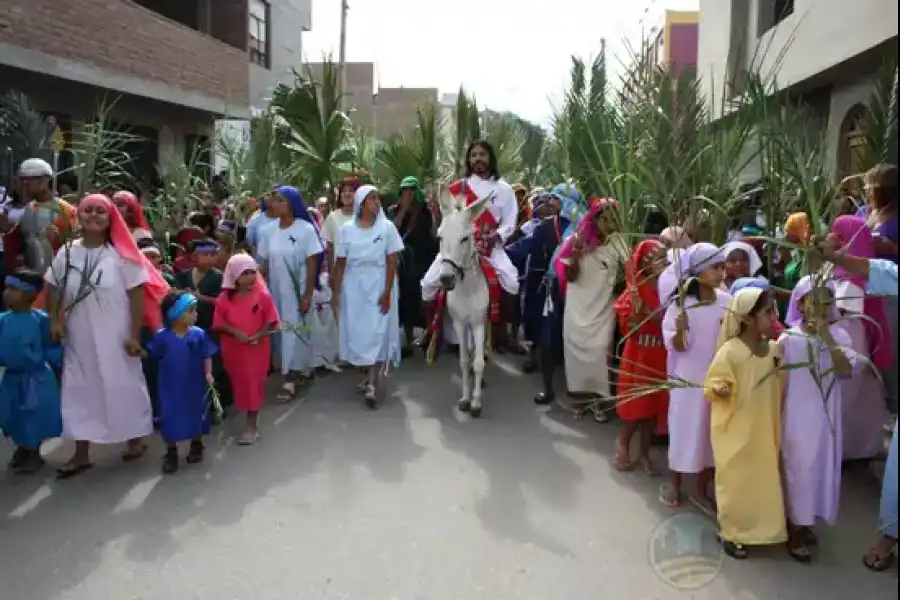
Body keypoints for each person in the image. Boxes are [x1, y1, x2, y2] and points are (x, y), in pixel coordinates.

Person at [45, 193, 169, 479]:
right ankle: (81, 452)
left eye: (101, 211)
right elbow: (53, 285)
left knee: (123, 384)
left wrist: (135, 335)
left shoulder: (122, 254)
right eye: (88, 210)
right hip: (79, 335)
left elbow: (137, 295)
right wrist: (55, 319)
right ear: (79, 216)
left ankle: (134, 440)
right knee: (79, 387)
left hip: (118, 334)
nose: (94, 216)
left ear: (110, 217)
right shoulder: (67, 252)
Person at [704, 287, 787, 560]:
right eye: (768, 312)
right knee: (736, 480)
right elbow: (713, 383)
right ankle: (733, 532)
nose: (775, 316)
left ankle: (762, 529)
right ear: (748, 318)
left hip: (763, 427)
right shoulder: (730, 352)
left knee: (761, 479)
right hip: (735, 429)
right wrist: (721, 389)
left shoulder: (774, 349)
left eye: (775, 310)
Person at [778, 276, 852, 561]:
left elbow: (845, 370)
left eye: (826, 303)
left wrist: (827, 338)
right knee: (798, 468)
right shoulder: (789, 339)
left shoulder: (841, 337)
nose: (820, 309)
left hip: (825, 419)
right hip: (796, 416)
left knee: (819, 470)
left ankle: (805, 521)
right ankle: (794, 527)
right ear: (800, 304)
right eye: (813, 302)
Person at [658, 243, 730, 513]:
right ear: (698, 271)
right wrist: (679, 331)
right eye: (715, 267)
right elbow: (676, 346)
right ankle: (674, 482)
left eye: (722, 267)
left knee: (710, 434)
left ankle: (702, 488)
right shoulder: (681, 305)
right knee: (685, 430)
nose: (721, 273)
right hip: (686, 378)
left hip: (716, 376)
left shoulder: (727, 302)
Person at [421, 141, 520, 308]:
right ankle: (432, 330)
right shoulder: (457, 188)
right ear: (468, 160)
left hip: (490, 247)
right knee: (428, 284)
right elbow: (448, 222)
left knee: (512, 283)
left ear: (490, 158)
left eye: (482, 154)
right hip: (458, 247)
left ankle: (501, 328)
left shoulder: (505, 189)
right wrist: (436, 215)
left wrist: (495, 236)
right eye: (473, 155)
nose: (478, 158)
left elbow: (510, 222)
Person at [553, 198, 625, 422]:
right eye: (604, 218)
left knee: (602, 350)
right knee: (576, 351)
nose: (609, 222)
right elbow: (570, 276)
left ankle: (600, 401)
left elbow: (626, 277)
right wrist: (575, 253)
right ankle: (581, 399)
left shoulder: (620, 243)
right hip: (578, 305)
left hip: (604, 306)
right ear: (595, 219)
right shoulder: (579, 239)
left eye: (613, 218)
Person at [332, 185, 404, 408]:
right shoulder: (346, 230)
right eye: (371, 198)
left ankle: (372, 383)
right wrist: (335, 293)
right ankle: (366, 374)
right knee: (358, 333)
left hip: (379, 285)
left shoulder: (387, 228)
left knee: (377, 332)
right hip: (353, 288)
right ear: (361, 203)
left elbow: (392, 261)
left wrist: (387, 292)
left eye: (377, 197)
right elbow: (340, 264)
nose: (376, 201)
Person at [827, 216, 892, 460]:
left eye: (836, 233)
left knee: (846, 396)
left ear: (845, 240)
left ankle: (843, 451)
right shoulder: (854, 273)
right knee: (863, 396)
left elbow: (842, 315)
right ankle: (862, 448)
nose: (830, 237)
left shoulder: (850, 281)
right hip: (858, 340)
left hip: (850, 340)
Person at [257, 185, 324, 399]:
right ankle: (299, 370)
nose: (273, 204)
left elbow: (312, 262)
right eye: (273, 199)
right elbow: (263, 264)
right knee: (282, 333)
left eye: (279, 200)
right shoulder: (267, 231)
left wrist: (307, 293)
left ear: (291, 204)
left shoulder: (305, 229)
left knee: (294, 331)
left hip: (298, 291)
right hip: (276, 291)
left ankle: (290, 379)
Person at [145, 292, 218, 474]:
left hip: (194, 384)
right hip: (170, 386)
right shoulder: (162, 337)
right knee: (169, 416)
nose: (196, 314)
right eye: (191, 311)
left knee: (196, 412)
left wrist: (208, 373)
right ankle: (171, 451)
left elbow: (206, 354)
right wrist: (136, 351)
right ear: (175, 314)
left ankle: (197, 444)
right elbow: (151, 354)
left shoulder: (199, 334)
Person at [613, 239, 668, 473]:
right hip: (639, 354)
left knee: (652, 412)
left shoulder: (670, 288)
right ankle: (623, 443)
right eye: (658, 259)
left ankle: (644, 453)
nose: (664, 263)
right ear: (645, 262)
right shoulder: (634, 291)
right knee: (637, 408)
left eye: (665, 258)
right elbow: (629, 327)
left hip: (661, 354)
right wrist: (638, 312)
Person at [0, 270, 63, 474]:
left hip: (36, 378)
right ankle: (22, 447)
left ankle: (33, 452)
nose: (6, 293)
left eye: (13, 289)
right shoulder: (3, 320)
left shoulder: (41, 320)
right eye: (6, 288)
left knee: (32, 416)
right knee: (12, 415)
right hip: (11, 377)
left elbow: (52, 347)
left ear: (29, 294)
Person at [213, 254, 279, 445]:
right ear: (234, 275)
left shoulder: (262, 296)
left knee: (253, 382)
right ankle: (243, 412)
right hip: (234, 350)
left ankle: (251, 424)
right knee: (239, 382)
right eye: (245, 273)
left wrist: (260, 334)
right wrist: (235, 332)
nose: (250, 277)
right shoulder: (224, 299)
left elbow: (270, 320)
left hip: (256, 349)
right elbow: (218, 324)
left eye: (253, 272)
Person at [387, 175, 438, 356]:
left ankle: (427, 335)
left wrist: (434, 213)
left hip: (423, 259)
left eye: (412, 190)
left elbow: (434, 234)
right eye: (405, 191)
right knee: (404, 298)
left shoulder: (425, 212)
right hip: (402, 262)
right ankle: (406, 339)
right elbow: (392, 230)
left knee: (425, 298)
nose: (408, 194)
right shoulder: (393, 210)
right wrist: (404, 208)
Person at [322, 174, 363, 270]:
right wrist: (331, 273)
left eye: (351, 191)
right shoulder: (332, 217)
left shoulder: (364, 216)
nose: (347, 194)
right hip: (340, 271)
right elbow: (330, 248)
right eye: (344, 191)